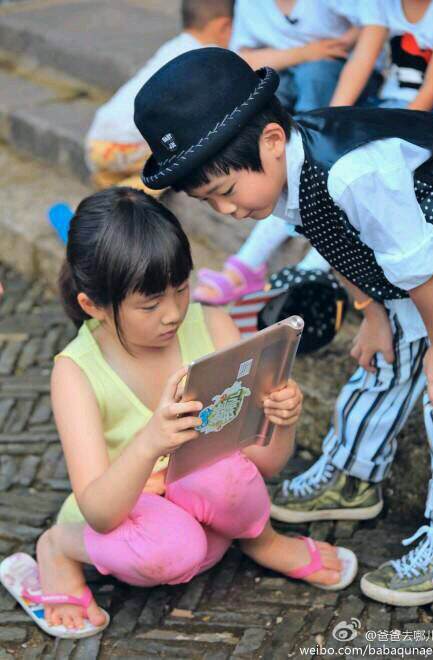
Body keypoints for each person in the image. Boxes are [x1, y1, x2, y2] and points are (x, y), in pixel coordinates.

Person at [134, 48, 433, 606]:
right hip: (409, 275)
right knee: (385, 358)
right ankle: (353, 474)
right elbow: (335, 238)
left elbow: (422, 265)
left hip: (431, 266)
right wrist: (371, 312)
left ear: (271, 140)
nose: (227, 212)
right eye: (209, 203)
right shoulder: (286, 173)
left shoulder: (354, 172)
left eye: (226, 192)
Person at [8, 187, 356, 635]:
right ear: (94, 306)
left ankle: (263, 540)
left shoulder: (211, 323)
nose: (172, 313)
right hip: (128, 517)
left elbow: (264, 464)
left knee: (224, 480)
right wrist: (151, 442)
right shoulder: (75, 371)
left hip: (199, 501)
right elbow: (100, 512)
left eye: (181, 289)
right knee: (174, 551)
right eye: (150, 304)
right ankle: (58, 548)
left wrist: (281, 421)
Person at [192, 0, 383, 306]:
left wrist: (326, 121)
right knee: (284, 179)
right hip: (299, 96)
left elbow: (373, 27)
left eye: (223, 193)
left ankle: (301, 274)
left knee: (310, 183)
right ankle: (251, 267)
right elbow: (241, 59)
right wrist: (306, 52)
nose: (225, 208)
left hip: (340, 99)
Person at [85, 0, 234, 192]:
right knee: (182, 160)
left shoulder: (174, 46)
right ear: (224, 26)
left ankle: (108, 179)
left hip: (97, 140)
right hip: (123, 146)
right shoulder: (206, 58)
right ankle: (123, 196)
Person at [330, 0, 433, 111]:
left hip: (427, 110)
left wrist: (403, 121)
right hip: (387, 103)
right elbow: (361, 61)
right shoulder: (382, 3)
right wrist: (334, 114)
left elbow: (432, 87)